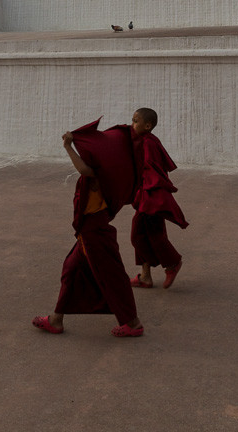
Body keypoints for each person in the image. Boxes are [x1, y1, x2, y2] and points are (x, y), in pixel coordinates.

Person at [32, 120, 143, 338]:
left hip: (95, 231)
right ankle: (56, 320)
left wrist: (68, 146)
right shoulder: (116, 168)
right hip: (90, 229)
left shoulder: (101, 172)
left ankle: (133, 323)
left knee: (111, 275)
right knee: (71, 270)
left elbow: (83, 168)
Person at [129, 107, 188, 290]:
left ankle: (173, 263)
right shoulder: (145, 140)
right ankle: (145, 276)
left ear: (147, 125)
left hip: (152, 197)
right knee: (140, 235)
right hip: (146, 196)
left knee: (152, 234)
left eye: (135, 121)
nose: (132, 124)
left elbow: (150, 171)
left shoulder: (148, 144)